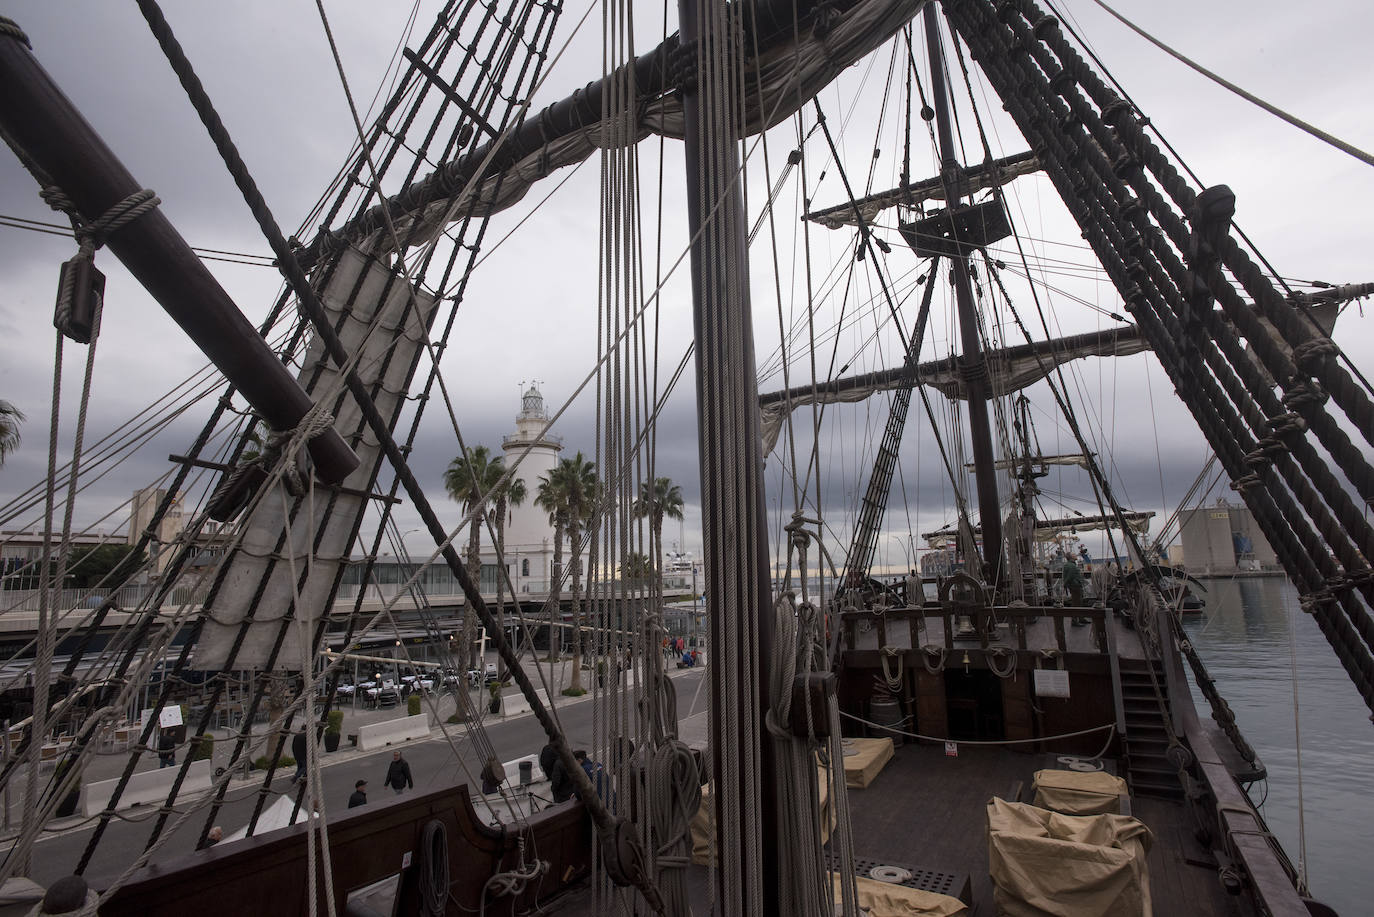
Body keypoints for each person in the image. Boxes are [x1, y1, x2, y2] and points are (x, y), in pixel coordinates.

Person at [1062, 554, 1088, 625]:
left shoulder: (1069, 565)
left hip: (1074, 585)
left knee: (1078, 602)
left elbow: (1067, 576)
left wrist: (1065, 584)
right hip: (1075, 586)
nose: (1075, 555)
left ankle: (1080, 618)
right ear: (1071, 557)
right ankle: (1074, 620)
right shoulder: (1071, 566)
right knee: (1076, 603)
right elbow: (1070, 576)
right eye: (1073, 555)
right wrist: (1065, 584)